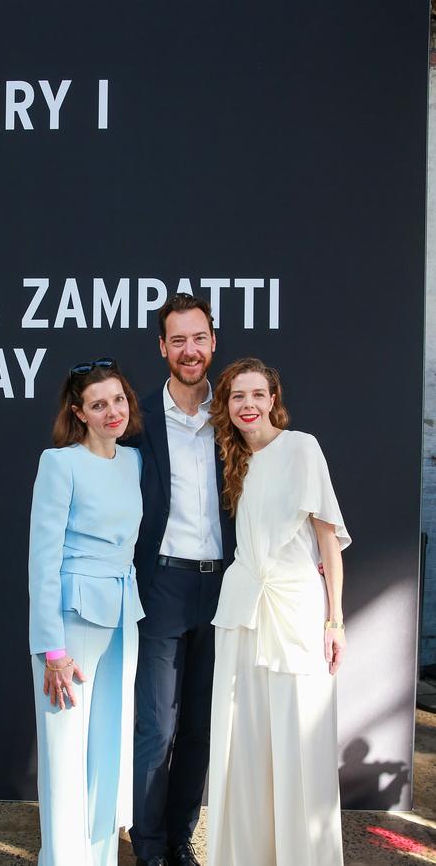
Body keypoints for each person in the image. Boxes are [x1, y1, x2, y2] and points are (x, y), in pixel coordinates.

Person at [206, 357, 350, 866]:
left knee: (298, 743)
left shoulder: (302, 448)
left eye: (256, 394)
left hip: (295, 611)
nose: (247, 405)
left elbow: (328, 541)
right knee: (241, 744)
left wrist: (335, 621)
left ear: (273, 400)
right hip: (242, 613)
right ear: (226, 405)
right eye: (236, 396)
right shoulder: (231, 459)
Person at [129, 294, 236, 866]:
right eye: (178, 340)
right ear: (163, 348)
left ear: (212, 342)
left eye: (199, 338)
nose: (189, 350)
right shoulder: (138, 419)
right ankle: (148, 851)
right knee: (157, 731)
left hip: (223, 589)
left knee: (199, 731)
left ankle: (178, 843)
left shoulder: (237, 415)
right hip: (163, 587)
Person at [28, 358, 146, 866]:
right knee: (64, 757)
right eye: (99, 404)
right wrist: (51, 648)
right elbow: (42, 558)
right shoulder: (60, 463)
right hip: (71, 625)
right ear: (79, 413)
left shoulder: (135, 461)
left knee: (108, 753)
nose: (112, 411)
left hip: (123, 617)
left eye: (118, 400)